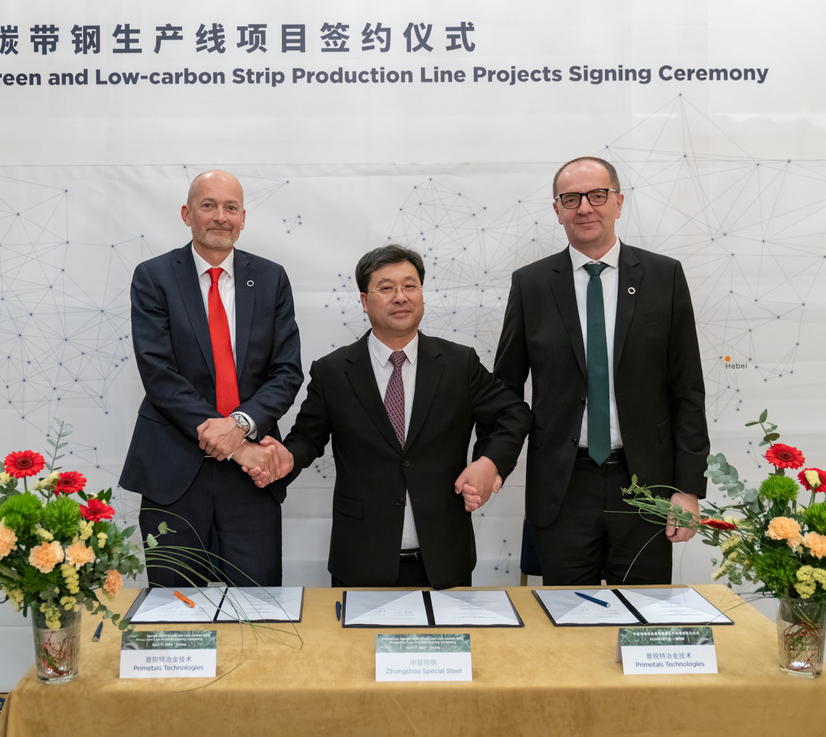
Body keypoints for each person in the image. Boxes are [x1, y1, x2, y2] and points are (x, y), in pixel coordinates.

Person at [254, 245, 532, 589]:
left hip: (445, 560)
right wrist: (287, 457)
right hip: (360, 559)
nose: (400, 296)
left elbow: (513, 413)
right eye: (386, 288)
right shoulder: (334, 371)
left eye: (410, 286)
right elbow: (307, 438)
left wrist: (490, 462)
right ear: (364, 300)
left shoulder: (459, 364)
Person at [494, 156, 709, 586]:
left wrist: (687, 489)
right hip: (564, 483)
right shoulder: (531, 284)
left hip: (646, 484)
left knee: (643, 619)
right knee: (567, 622)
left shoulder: (663, 276)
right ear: (557, 210)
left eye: (597, 195)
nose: (585, 208)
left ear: (618, 202)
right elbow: (506, 390)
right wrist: (494, 461)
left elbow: (688, 388)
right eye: (570, 199)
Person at [118, 169, 303, 587]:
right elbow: (159, 374)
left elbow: (286, 371)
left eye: (231, 207)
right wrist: (237, 448)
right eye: (208, 205)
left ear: (243, 218)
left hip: (251, 482)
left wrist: (238, 427)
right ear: (187, 214)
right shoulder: (154, 277)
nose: (220, 216)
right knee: (175, 615)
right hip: (176, 474)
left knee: (258, 613)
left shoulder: (272, 279)